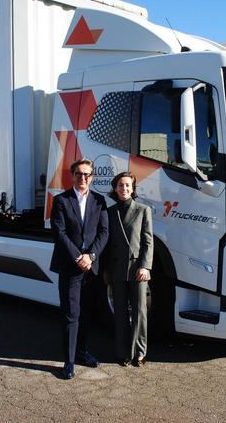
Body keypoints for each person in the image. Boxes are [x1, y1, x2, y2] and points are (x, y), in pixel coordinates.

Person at [50, 158, 109, 380]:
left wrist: (91, 256)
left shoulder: (100, 201)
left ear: (92, 177)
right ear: (72, 176)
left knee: (87, 314)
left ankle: (83, 352)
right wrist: (78, 257)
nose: (83, 178)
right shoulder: (61, 201)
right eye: (78, 174)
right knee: (71, 314)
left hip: (91, 268)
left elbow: (104, 232)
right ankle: (69, 362)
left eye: (87, 174)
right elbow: (59, 232)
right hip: (70, 267)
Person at [105, 171, 153, 367]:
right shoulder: (110, 212)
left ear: (133, 189)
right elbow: (107, 245)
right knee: (121, 313)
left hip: (137, 269)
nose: (123, 188)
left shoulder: (143, 210)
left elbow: (148, 241)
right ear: (115, 189)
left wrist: (145, 266)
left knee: (140, 312)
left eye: (127, 185)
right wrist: (106, 270)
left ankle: (140, 353)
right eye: (120, 185)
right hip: (116, 269)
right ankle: (123, 353)